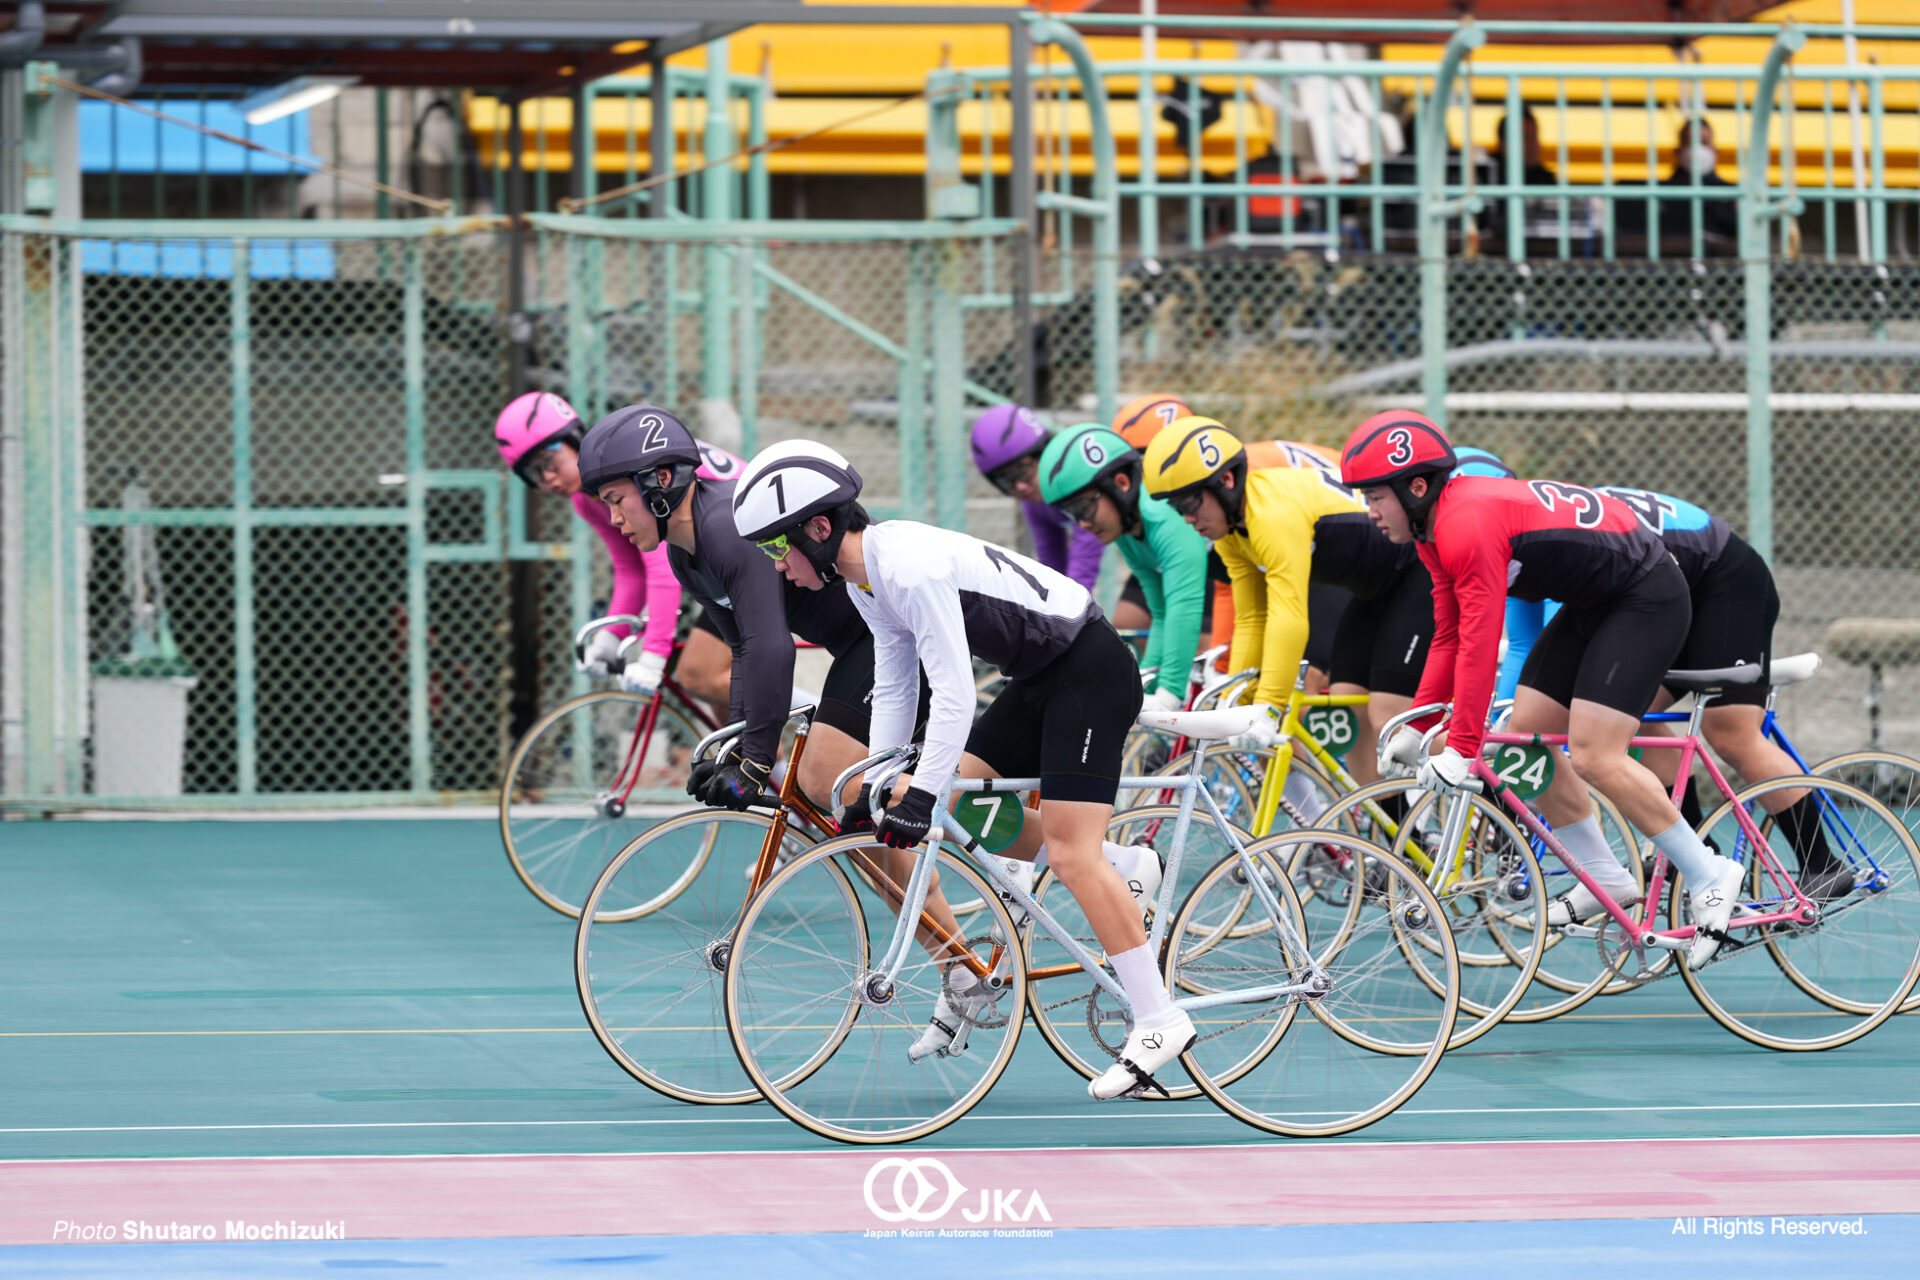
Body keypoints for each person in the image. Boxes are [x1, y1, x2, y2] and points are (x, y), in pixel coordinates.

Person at [733, 440, 1187, 1097]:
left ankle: (1157, 1016)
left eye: (778, 549)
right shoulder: (866, 574)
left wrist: (920, 790)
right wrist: (877, 778)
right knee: (969, 804)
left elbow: (954, 693)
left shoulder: (906, 566)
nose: (778, 567)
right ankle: (1126, 869)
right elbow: (894, 683)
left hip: (1088, 670)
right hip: (1040, 675)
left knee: (1066, 851)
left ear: (820, 529)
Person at [1347, 410, 1747, 967]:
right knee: (1523, 739)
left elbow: (1481, 644)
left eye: (1374, 497)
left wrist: (1461, 747)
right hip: (1597, 601)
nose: (1369, 512)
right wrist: (1415, 724)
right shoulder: (1431, 531)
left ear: (1417, 487)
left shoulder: (1465, 523)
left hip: (1645, 596)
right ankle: (1606, 874)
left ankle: (1708, 872)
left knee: (1594, 754)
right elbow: (1449, 632)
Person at [576, 406, 898, 825]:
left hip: (890, 631)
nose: (614, 519)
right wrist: (735, 747)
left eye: (617, 501)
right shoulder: (683, 555)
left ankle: (961, 876)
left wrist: (757, 762)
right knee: (832, 791)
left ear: (661, 481)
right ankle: (950, 876)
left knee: (824, 781)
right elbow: (744, 652)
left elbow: (772, 647)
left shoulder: (726, 531)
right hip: (862, 642)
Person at [1141, 416, 1430, 801]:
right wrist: (1239, 696)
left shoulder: (1271, 514)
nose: (1187, 518)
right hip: (1374, 590)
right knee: (1352, 712)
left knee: (1387, 715)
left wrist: (1268, 707)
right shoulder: (1232, 533)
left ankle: (1488, 791)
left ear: (1226, 482)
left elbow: (1288, 614)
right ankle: (1395, 845)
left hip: (1417, 570)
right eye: (1177, 508)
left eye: (1191, 502)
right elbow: (1252, 617)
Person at [493, 391, 736, 714]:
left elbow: (661, 568)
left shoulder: (623, 470)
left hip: (748, 549)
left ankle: (813, 714)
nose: (547, 479)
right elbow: (629, 568)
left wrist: (653, 655)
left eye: (548, 463)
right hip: (721, 562)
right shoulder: (587, 497)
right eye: (534, 476)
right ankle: (778, 762)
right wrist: (610, 637)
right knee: (724, 701)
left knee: (699, 675)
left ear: (575, 439)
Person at [1038, 424, 1210, 713]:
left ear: (1121, 483)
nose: (1082, 524)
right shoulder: (1128, 530)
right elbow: (1161, 613)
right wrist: (1145, 681)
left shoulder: (1160, 515)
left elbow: (1185, 605)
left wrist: (1169, 692)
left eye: (1083, 509)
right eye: (1072, 514)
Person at [969, 406, 1104, 594]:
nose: (1020, 487)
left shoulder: (1077, 480)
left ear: (1044, 451)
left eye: (1023, 472)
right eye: (1006, 481)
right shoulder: (1034, 501)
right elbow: (1051, 564)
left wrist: (1068, 613)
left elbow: (1084, 565)